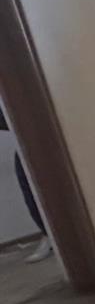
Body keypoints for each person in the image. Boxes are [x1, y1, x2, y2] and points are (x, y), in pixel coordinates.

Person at [1, 106, 52, 262]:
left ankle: (53, 235)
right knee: (29, 188)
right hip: (27, 137)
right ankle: (49, 234)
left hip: (48, 129)